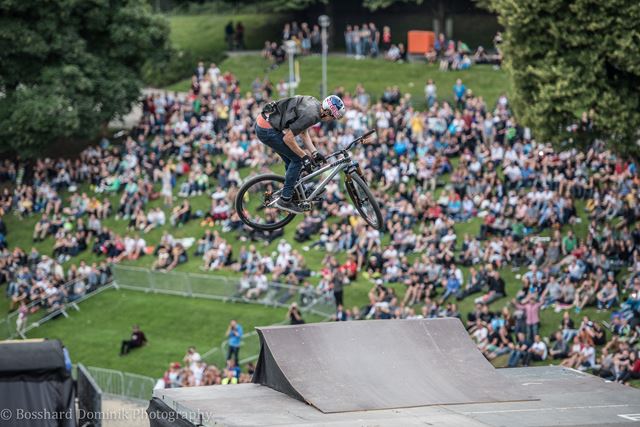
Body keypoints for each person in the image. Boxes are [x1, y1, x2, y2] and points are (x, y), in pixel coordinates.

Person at [255, 95, 346, 214]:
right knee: (297, 160)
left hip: (266, 124)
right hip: (267, 130)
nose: (331, 120)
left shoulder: (315, 105)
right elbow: (288, 138)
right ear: (327, 112)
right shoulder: (312, 115)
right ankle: (285, 199)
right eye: (333, 117)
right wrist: (304, 156)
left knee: (291, 160)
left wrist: (314, 152)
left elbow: (303, 132)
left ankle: (298, 190)